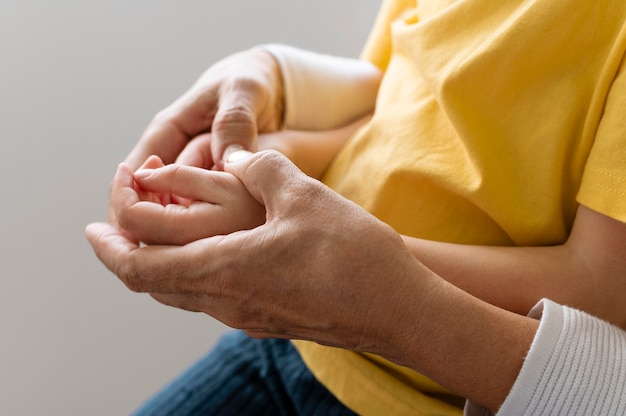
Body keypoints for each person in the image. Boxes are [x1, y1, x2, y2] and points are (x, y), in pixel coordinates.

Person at [86, 0, 626, 414]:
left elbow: (598, 290)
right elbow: (392, 110)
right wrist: (267, 153)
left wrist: (314, 251)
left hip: (430, 393)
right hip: (303, 344)